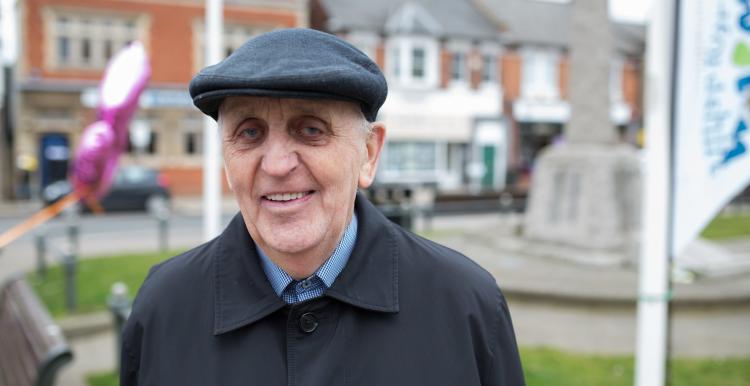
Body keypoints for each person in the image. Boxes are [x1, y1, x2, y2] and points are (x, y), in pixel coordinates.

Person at [120, 28, 525, 386]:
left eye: (311, 129)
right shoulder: (164, 308)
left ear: (368, 153)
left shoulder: (466, 306)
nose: (277, 165)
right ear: (226, 160)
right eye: (249, 133)